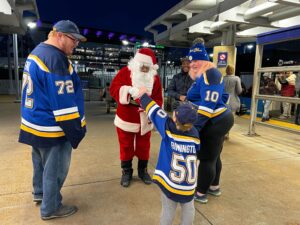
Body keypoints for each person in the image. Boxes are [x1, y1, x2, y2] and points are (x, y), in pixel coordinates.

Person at [18, 20, 87, 220]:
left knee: (39, 164)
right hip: (51, 127)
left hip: (33, 123)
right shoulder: (56, 59)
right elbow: (63, 103)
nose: (76, 44)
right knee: (55, 170)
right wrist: (76, 131)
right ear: (59, 36)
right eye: (73, 39)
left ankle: (40, 193)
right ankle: (51, 207)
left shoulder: (37, 52)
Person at [132, 86, 199, 225]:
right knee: (189, 210)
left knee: (168, 212)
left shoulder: (168, 128)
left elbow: (155, 111)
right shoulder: (195, 135)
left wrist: (143, 96)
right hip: (188, 186)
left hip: (171, 184)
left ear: (174, 117)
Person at [186, 38, 234, 204]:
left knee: (206, 157)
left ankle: (200, 193)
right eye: (191, 61)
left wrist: (195, 128)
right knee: (214, 156)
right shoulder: (205, 74)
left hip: (214, 120)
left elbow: (208, 105)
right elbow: (223, 96)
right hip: (218, 118)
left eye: (195, 62)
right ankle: (214, 187)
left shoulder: (210, 73)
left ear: (203, 61)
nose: (192, 65)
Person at [110, 48, 163, 187]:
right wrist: (129, 91)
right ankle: (126, 171)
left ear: (152, 67)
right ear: (136, 63)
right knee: (126, 146)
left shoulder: (155, 79)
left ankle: (142, 170)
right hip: (126, 118)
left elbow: (158, 98)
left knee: (144, 147)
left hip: (145, 119)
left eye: (147, 67)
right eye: (142, 66)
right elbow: (113, 88)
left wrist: (152, 109)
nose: (145, 69)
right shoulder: (125, 73)